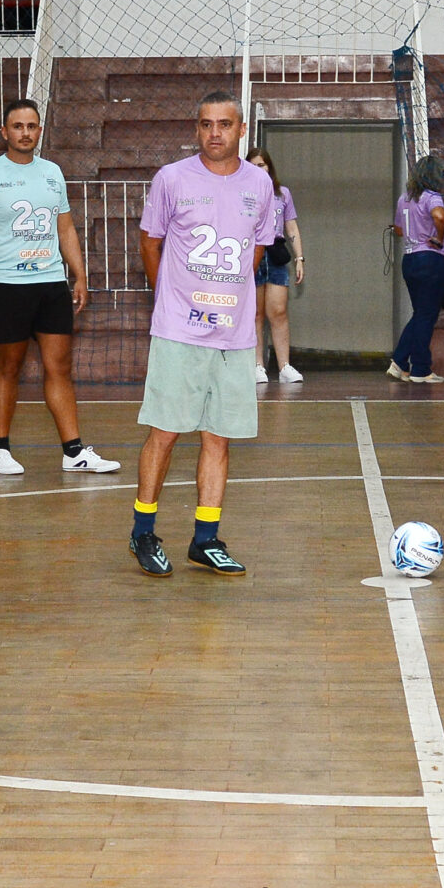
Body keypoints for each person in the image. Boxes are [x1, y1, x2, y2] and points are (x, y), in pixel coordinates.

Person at [128, 90, 281, 577]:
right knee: (165, 432)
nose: (215, 133)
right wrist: (170, 297)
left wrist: (227, 296)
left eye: (224, 124)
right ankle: (143, 532)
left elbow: (257, 249)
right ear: (196, 129)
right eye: (206, 124)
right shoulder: (171, 178)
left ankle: (205, 538)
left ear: (241, 130)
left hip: (233, 337)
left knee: (219, 438)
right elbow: (150, 242)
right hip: (179, 330)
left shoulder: (260, 184)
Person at [0, 99, 120, 478]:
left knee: (59, 367)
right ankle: (0, 450)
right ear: (5, 132)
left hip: (50, 283)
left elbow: (65, 227)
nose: (25, 133)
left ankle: (74, 451)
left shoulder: (52, 173)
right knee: (9, 366)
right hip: (6, 285)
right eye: (18, 126)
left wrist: (79, 275)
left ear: (39, 130)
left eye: (31, 126)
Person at [243, 145, 305, 385]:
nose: (257, 170)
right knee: (255, 313)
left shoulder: (282, 193)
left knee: (278, 311)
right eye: (252, 166)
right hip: (252, 252)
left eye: (261, 165)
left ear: (269, 167)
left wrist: (299, 258)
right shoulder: (243, 193)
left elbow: (291, 227)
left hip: (276, 253)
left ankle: (284, 366)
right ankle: (257, 365)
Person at [388, 153, 444, 384]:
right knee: (427, 314)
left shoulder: (404, 198)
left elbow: (398, 229)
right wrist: (439, 238)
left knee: (421, 314)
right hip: (429, 259)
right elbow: (439, 217)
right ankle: (420, 369)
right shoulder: (432, 197)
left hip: (410, 259)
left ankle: (400, 362)